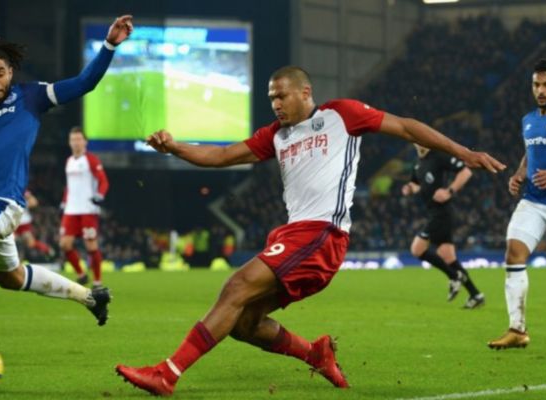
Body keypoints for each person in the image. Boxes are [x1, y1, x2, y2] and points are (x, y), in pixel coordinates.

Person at [115, 65, 505, 395]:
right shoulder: (276, 136)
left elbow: (405, 127)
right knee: (242, 323)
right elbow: (220, 156)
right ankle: (314, 353)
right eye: (271, 99)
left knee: (235, 287)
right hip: (292, 235)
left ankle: (167, 374)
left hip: (322, 235)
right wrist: (175, 147)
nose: (276, 105)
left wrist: (464, 153)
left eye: (282, 96)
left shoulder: (342, 116)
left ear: (306, 92)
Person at [0, 15, 133, 327]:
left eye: (1, 73)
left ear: (11, 72)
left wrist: (108, 46)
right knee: (9, 278)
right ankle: (90, 297)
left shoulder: (31, 97)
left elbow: (84, 83)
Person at [488, 59, 546, 349]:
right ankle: (517, 329)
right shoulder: (528, 120)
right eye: (536, 84)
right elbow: (530, 152)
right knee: (514, 253)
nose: (540, 89)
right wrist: (519, 174)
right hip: (534, 200)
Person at [401, 144, 485, 308]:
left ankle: (454, 277)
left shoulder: (438, 156)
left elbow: (466, 171)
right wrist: (409, 188)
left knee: (417, 249)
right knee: (448, 257)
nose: (419, 143)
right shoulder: (418, 163)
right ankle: (476, 295)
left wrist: (450, 191)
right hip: (433, 212)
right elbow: (417, 184)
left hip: (441, 213)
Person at [60, 126, 109, 287]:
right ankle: (81, 274)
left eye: (79, 139)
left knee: (91, 246)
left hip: (87, 209)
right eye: (73, 139)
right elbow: (69, 186)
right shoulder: (68, 161)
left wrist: (100, 195)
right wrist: (64, 201)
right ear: (69, 142)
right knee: (65, 244)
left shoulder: (91, 160)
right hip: (71, 210)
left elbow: (103, 181)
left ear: (85, 142)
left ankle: (97, 280)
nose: (76, 143)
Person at [15, 190, 55, 258]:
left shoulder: (22, 190)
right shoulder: (7, 190)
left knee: (30, 243)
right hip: (12, 223)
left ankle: (47, 249)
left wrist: (28, 197)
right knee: (12, 242)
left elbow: (34, 203)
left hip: (24, 222)